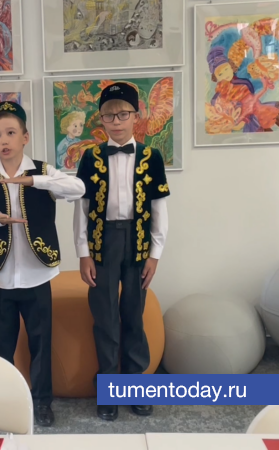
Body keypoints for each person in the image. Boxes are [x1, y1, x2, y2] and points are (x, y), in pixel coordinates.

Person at [0, 101, 85, 427]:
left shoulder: (43, 171)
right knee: (2, 345)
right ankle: (4, 400)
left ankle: (41, 402)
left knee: (41, 343)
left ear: (25, 137)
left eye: (11, 133)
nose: (4, 140)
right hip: (1, 278)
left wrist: (36, 182)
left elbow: (79, 189)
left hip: (37, 275)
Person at [74, 82, 170, 421]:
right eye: (109, 115)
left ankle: (135, 387)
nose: (116, 121)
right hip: (102, 243)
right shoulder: (90, 157)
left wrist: (155, 254)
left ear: (136, 116)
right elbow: (81, 208)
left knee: (133, 315)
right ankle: (109, 390)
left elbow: (159, 208)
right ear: (100, 119)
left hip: (138, 243)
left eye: (123, 114)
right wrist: (83, 253)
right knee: (104, 318)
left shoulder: (151, 157)